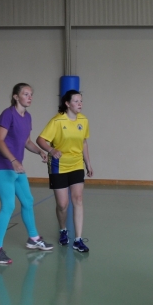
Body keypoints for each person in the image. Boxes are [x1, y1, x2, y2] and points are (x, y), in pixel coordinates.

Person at [0, 83, 53, 265]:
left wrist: (39, 151)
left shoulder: (28, 117)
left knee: (28, 201)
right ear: (16, 96)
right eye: (25, 94)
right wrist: (13, 160)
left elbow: (26, 141)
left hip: (16, 167)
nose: (29, 97)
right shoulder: (8, 114)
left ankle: (33, 238)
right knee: (8, 206)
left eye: (31, 94)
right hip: (3, 166)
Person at [36, 89, 93, 253]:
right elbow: (40, 139)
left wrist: (88, 163)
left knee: (78, 199)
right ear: (67, 103)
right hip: (58, 165)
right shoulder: (57, 121)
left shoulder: (84, 120)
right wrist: (51, 150)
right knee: (62, 204)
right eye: (76, 101)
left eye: (81, 101)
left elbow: (84, 142)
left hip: (76, 164)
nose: (80, 104)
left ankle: (78, 239)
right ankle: (63, 230)